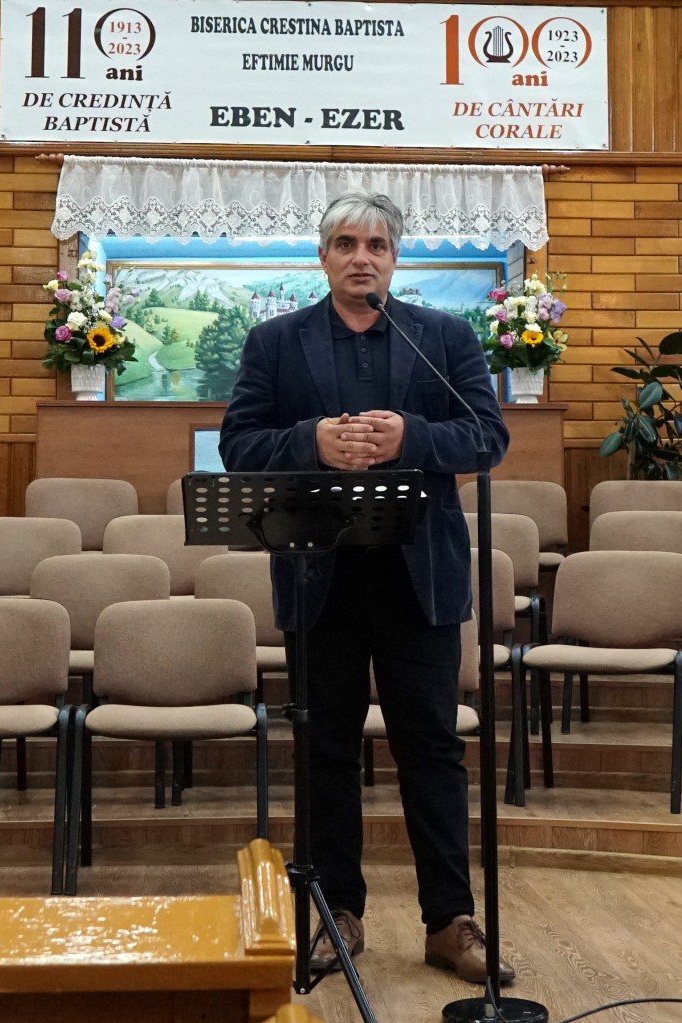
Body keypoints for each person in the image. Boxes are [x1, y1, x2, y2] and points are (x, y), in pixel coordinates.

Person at [219, 189, 515, 984]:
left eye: (376, 245)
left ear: (394, 258)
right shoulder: (275, 341)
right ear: (322, 257)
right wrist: (310, 441)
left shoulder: (441, 337)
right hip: (320, 578)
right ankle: (335, 912)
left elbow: (487, 436)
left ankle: (448, 920)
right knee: (325, 750)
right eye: (346, 244)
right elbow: (239, 444)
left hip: (420, 578)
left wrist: (409, 437)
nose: (361, 257)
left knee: (431, 749)